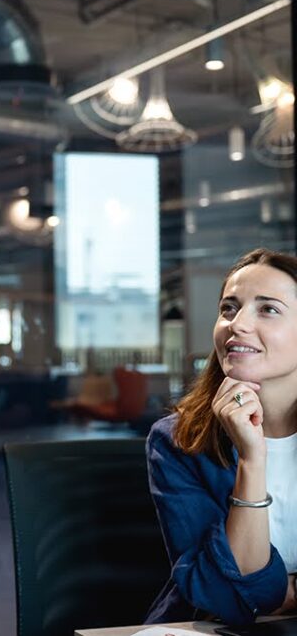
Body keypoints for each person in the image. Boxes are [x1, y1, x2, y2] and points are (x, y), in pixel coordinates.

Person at [146, 248, 297, 624]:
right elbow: (225, 596)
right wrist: (251, 458)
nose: (237, 324)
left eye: (268, 309)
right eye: (229, 308)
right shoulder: (176, 441)